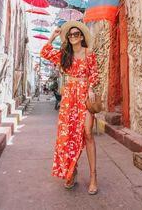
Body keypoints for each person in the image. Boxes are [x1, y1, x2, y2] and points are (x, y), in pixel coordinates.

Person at [40, 21, 99, 195]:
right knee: (68, 136)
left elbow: (94, 75)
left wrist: (90, 88)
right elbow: (44, 52)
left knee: (87, 133)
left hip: (85, 96)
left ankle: (94, 177)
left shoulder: (89, 53)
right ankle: (71, 171)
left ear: (81, 36)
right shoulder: (64, 55)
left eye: (76, 34)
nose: (73, 37)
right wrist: (52, 36)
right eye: (70, 35)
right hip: (69, 98)